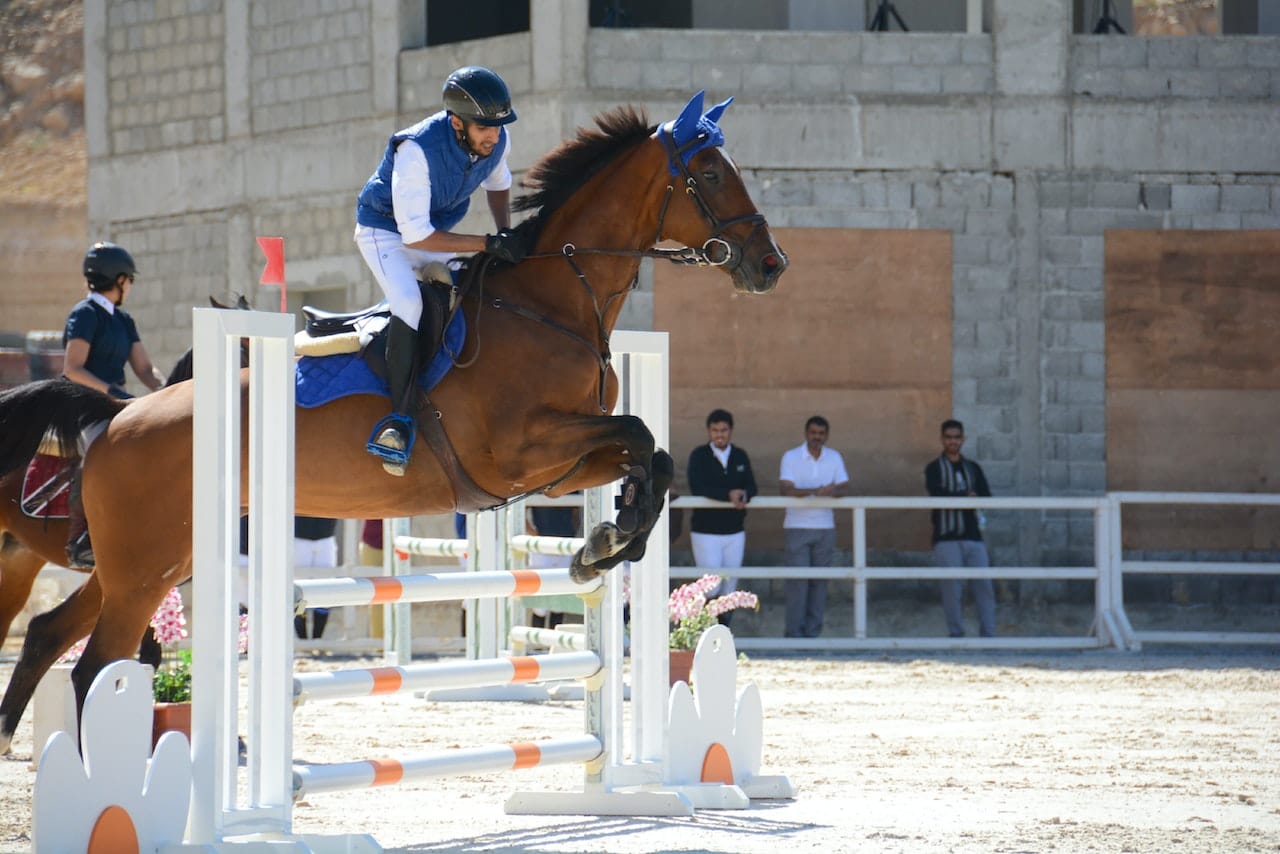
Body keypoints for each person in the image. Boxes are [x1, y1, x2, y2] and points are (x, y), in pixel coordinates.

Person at [354, 65, 526, 477]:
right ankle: (398, 421)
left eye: (498, 127)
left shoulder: (495, 142)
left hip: (436, 234)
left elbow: (499, 183)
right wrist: (486, 243)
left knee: (487, 279)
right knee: (410, 303)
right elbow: (414, 238)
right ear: (456, 122)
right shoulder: (416, 150)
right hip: (386, 234)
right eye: (485, 127)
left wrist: (504, 234)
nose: (494, 135)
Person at [61, 241, 166, 567]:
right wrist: (113, 392)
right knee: (101, 449)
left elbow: (145, 369)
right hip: (83, 404)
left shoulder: (123, 320)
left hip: (116, 403)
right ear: (120, 280)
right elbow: (72, 368)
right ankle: (83, 536)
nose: (130, 286)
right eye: (130, 280)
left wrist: (169, 391)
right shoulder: (85, 314)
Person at [778, 415, 849, 638]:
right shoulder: (790, 457)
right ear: (806, 433)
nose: (816, 437)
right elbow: (786, 489)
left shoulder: (834, 457)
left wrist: (831, 492)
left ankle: (813, 636)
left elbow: (844, 487)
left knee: (819, 584)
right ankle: (793, 636)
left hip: (825, 527)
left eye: (821, 433)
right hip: (797, 526)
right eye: (813, 433)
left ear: (826, 435)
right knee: (798, 584)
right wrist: (815, 491)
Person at [925, 418, 996, 638]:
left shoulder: (973, 468)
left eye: (956, 437)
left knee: (984, 585)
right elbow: (936, 493)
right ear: (941, 439)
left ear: (963, 439)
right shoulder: (934, 468)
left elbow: (986, 495)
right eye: (948, 437)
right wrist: (963, 497)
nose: (953, 441)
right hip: (946, 537)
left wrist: (972, 498)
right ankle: (956, 634)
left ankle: (989, 635)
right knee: (951, 589)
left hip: (973, 536)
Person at [686, 408, 757, 626]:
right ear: (708, 431)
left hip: (734, 530)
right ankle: (707, 631)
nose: (720, 434)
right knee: (710, 585)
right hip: (706, 531)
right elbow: (697, 487)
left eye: (724, 430)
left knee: (730, 586)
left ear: (731, 431)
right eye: (715, 430)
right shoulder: (699, 456)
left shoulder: (740, 455)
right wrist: (728, 495)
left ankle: (724, 631)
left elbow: (752, 485)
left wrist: (744, 494)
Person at [293, 516, 339, 640]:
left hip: (326, 537)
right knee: (300, 593)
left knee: (326, 591)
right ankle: (303, 639)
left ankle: (317, 638)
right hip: (300, 537)